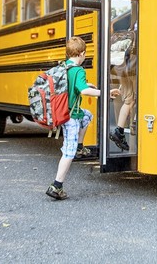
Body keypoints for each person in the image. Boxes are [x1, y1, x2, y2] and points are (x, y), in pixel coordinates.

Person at [46, 36, 100, 200]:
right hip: (70, 118)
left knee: (87, 115)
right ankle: (56, 185)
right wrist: (102, 93)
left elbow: (74, 86)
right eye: (85, 54)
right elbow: (83, 91)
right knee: (68, 153)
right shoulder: (78, 70)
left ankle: (80, 147)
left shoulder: (64, 67)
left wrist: (86, 85)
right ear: (82, 53)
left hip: (64, 112)